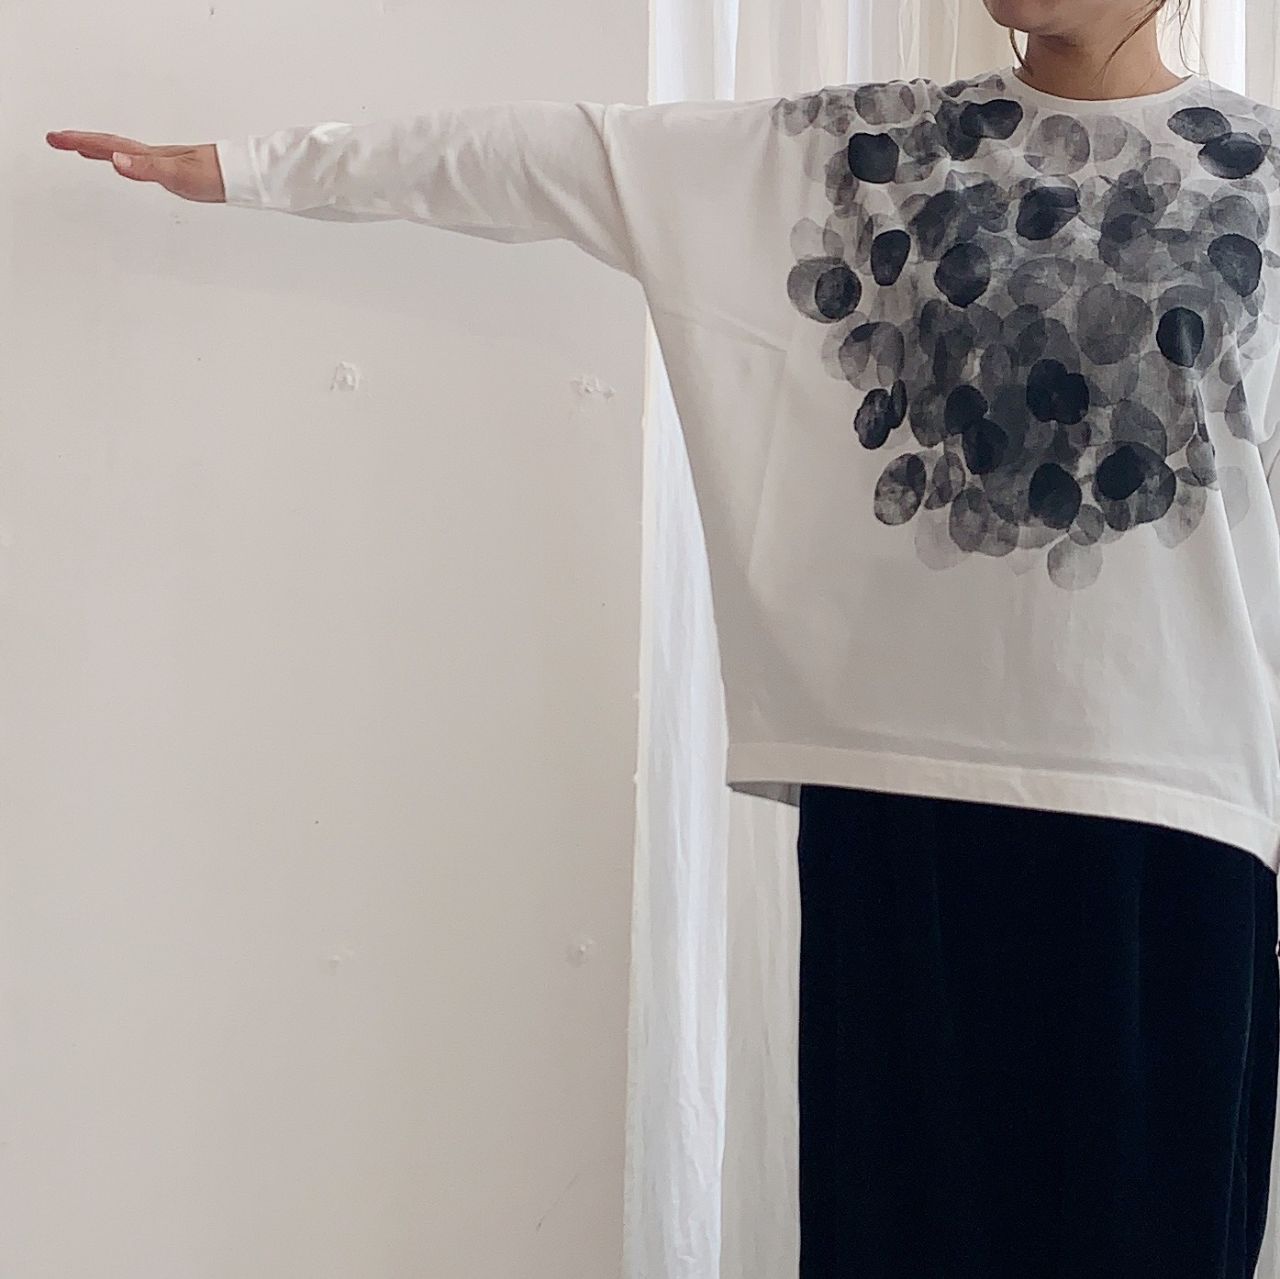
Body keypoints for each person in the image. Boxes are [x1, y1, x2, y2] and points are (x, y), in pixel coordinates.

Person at [46, 0, 1280, 1273]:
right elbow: (554, 155)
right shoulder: (865, 152)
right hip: (903, 803)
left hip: (1171, 815)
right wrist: (244, 167)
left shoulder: (1261, 176)